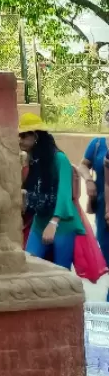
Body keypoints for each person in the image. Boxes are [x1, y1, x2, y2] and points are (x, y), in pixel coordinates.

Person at [20, 124, 83, 269]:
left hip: (62, 223)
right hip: (40, 220)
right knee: (29, 265)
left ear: (35, 137)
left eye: (23, 136)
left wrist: (54, 223)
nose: (20, 141)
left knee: (61, 271)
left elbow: (64, 193)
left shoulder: (59, 158)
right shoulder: (34, 160)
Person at [82, 108, 109, 266]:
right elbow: (83, 165)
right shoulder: (98, 143)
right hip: (102, 207)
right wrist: (88, 181)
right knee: (106, 252)